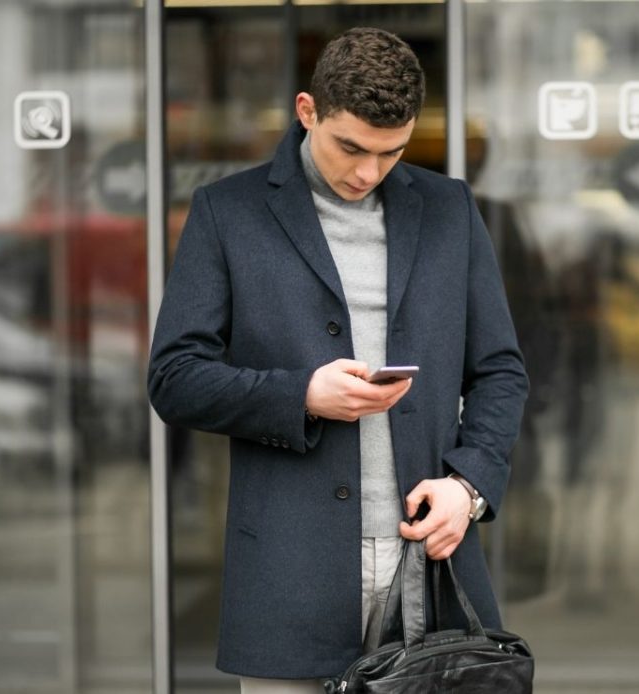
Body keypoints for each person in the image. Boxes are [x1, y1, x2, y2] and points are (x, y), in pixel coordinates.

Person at [147, 27, 528, 691]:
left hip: (430, 568)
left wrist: (467, 488)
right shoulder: (227, 212)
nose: (367, 172)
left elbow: (500, 371)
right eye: (350, 147)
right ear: (307, 111)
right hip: (288, 573)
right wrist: (301, 396)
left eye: (391, 152)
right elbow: (173, 378)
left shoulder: (450, 210)